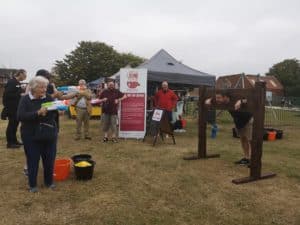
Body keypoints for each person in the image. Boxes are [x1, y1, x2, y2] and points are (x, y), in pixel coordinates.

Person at [17, 76, 58, 193]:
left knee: (49, 159)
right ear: (34, 88)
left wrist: (58, 110)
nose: (44, 90)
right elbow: (20, 116)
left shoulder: (48, 97)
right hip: (31, 136)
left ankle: (49, 182)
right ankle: (32, 185)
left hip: (49, 134)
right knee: (33, 160)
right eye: (41, 87)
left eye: (45, 87)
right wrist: (37, 113)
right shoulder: (25, 100)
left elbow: (52, 114)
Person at [205, 90, 253, 166]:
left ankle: (253, 160)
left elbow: (249, 98)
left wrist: (241, 101)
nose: (217, 99)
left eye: (219, 98)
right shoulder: (222, 102)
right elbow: (215, 100)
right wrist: (210, 100)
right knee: (243, 140)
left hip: (248, 119)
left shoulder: (235, 98)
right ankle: (247, 158)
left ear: (226, 97)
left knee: (251, 141)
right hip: (238, 122)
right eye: (216, 98)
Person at [2, 69, 27, 148]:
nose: (26, 77)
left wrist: (21, 92)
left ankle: (15, 141)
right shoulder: (12, 82)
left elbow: (16, 92)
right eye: (25, 75)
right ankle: (10, 143)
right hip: (11, 108)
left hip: (16, 108)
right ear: (20, 74)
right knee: (11, 125)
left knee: (15, 125)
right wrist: (20, 95)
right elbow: (7, 95)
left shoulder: (17, 83)